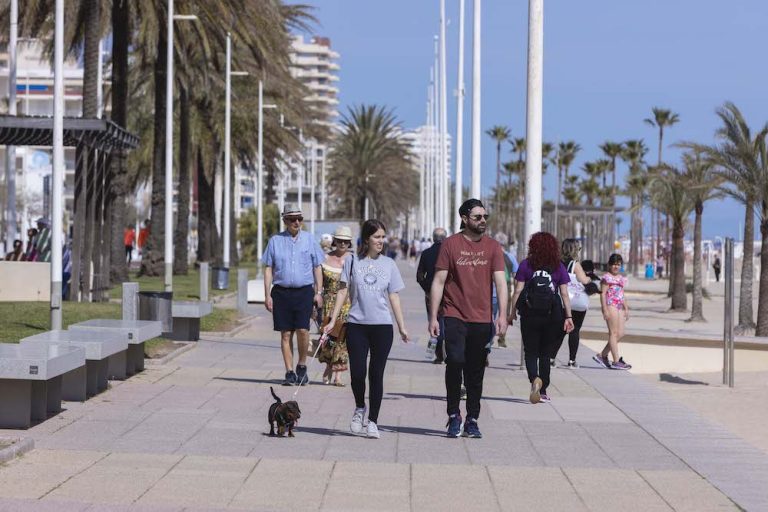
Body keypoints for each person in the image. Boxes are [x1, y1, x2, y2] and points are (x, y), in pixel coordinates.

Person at [324, 219, 409, 439]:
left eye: (383, 237)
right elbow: (342, 292)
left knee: (376, 374)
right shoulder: (352, 261)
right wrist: (333, 320)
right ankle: (360, 407)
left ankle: (373, 421)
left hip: (382, 327)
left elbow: (394, 296)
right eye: (377, 237)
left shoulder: (389, 264)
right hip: (356, 325)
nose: (381, 241)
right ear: (367, 238)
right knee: (358, 373)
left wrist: (401, 326)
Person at [429, 199, 507, 438]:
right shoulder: (450, 245)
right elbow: (439, 281)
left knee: (475, 371)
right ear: (464, 219)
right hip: (454, 315)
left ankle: (472, 418)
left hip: (482, 318)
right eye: (477, 217)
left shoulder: (493, 247)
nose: (483, 221)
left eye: (485, 217)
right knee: (454, 362)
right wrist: (433, 317)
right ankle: (454, 415)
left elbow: (501, 283)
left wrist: (503, 314)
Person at [509, 232, 574, 404]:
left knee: (530, 352)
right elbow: (565, 294)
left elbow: (517, 291)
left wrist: (511, 312)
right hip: (552, 316)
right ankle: (543, 390)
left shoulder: (526, 265)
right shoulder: (558, 266)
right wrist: (568, 316)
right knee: (545, 354)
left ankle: (534, 380)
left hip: (529, 315)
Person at [263, 205, 325, 386]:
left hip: (304, 291)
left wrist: (318, 292)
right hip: (281, 293)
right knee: (285, 334)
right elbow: (268, 268)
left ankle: (302, 365)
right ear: (285, 221)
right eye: (292, 219)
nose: (296, 222)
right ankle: (289, 372)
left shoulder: (309, 239)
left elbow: (317, 266)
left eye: (299, 218)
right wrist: (267, 295)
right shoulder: (275, 241)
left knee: (303, 330)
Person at [318, 226, 353, 386]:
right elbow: (318, 283)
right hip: (328, 303)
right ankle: (328, 367)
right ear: (335, 241)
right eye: (340, 240)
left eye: (346, 241)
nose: (343, 244)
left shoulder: (354, 259)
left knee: (343, 339)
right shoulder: (324, 258)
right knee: (328, 338)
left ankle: (338, 375)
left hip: (347, 304)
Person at [550, 239, 593, 368]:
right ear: (574, 250)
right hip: (575, 302)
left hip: (560, 301)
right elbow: (584, 281)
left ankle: (551, 358)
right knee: (574, 330)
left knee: (560, 330)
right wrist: (590, 277)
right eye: (578, 249)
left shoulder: (557, 264)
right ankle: (572, 361)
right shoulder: (575, 265)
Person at [593, 253, 632, 370]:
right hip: (611, 305)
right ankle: (616, 361)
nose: (616, 266)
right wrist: (604, 309)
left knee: (620, 333)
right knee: (613, 333)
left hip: (619, 306)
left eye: (618, 264)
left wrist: (626, 307)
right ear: (610, 265)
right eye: (614, 264)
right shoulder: (606, 277)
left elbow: (622, 294)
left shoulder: (621, 278)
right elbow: (603, 294)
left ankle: (602, 355)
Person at [417, 227, 447, 364]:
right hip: (448, 295)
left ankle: (439, 354)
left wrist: (428, 290)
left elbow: (419, 276)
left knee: (434, 321)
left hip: (430, 296)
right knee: (447, 322)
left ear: (433, 238)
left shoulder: (426, 253)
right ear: (445, 238)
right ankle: (448, 353)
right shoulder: (449, 254)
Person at [492, 232, 518, 348]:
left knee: (490, 315)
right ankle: (502, 339)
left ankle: (489, 338)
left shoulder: (490, 255)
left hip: (491, 288)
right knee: (505, 314)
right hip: (506, 289)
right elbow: (516, 274)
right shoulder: (510, 257)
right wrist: (517, 289)